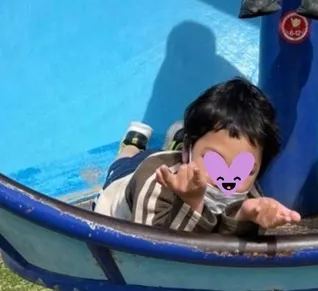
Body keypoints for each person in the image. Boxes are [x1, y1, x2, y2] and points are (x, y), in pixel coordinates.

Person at [93, 78, 300, 234]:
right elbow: (154, 252)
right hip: (124, 184)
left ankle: (178, 139)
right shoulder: (155, 182)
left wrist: (245, 216)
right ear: (188, 150)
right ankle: (131, 144)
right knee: (126, 162)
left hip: (183, 157)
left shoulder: (250, 195)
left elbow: (225, 254)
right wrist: (191, 202)